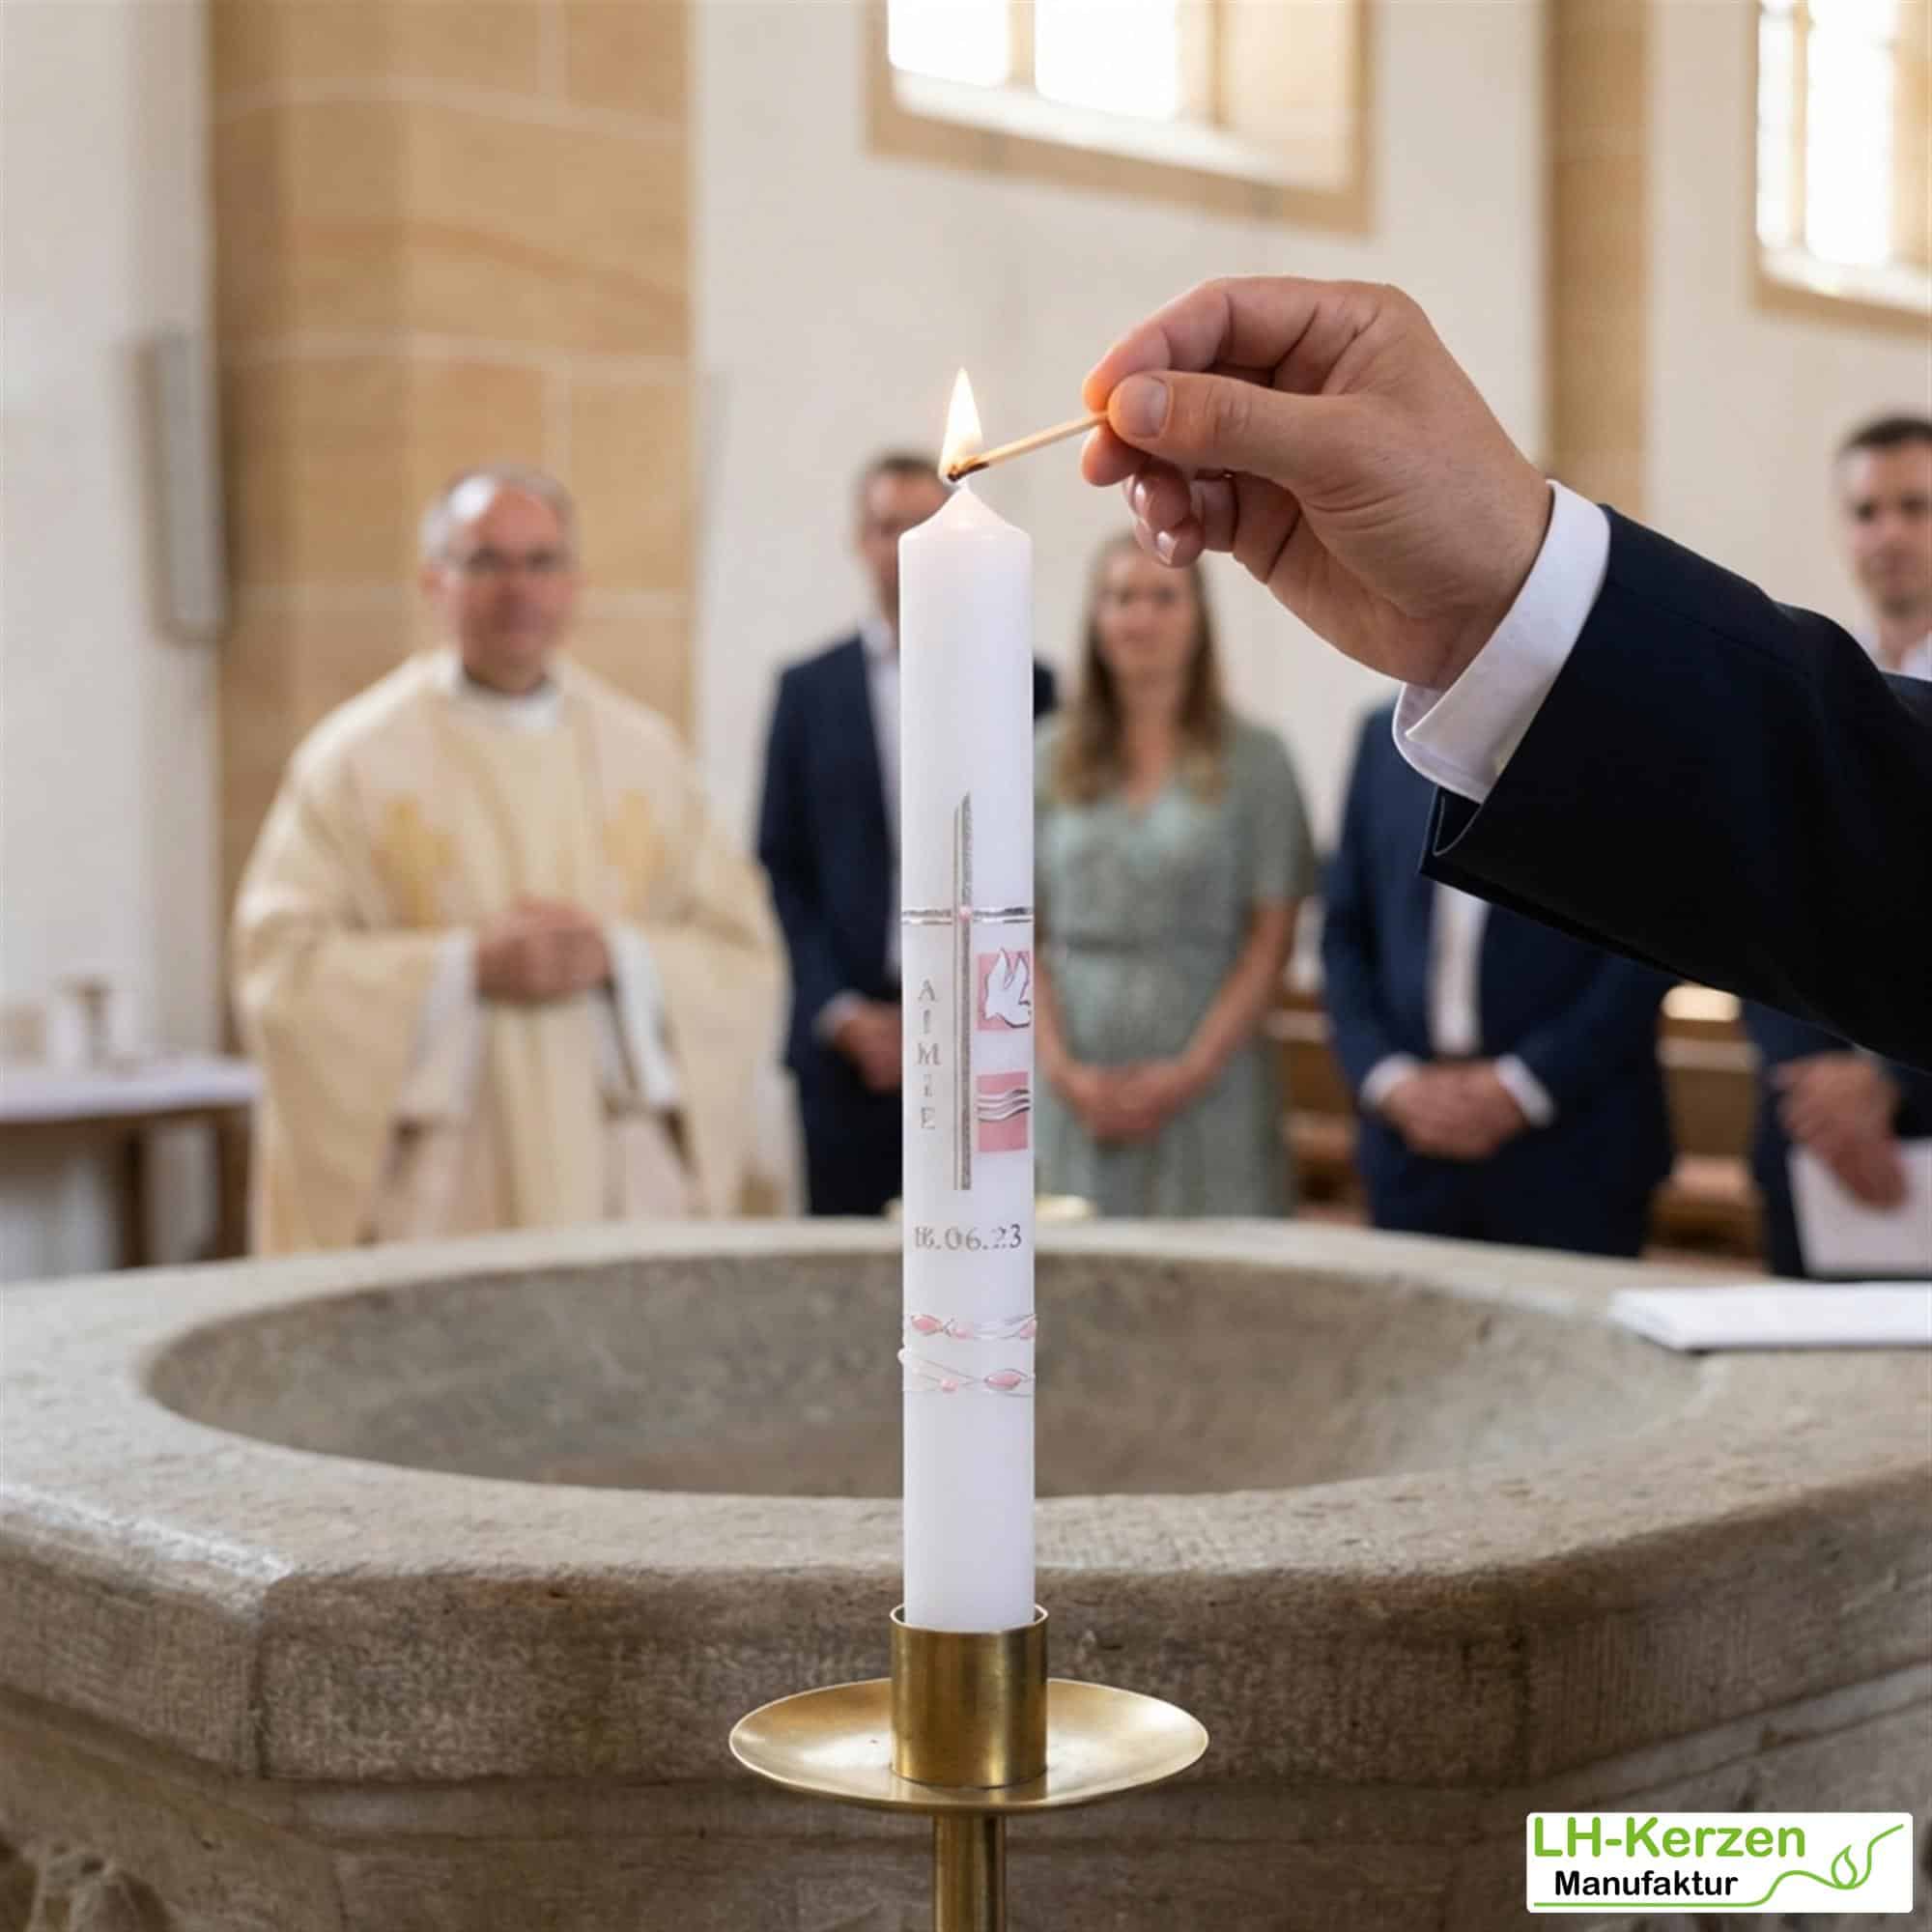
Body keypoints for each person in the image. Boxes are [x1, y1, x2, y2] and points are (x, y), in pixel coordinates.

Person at [1076, 276, 1932, 1071]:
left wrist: (1513, 596)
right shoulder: (1376, 734)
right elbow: (1863, 826)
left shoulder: (1252, 757)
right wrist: (1494, 613)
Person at [233, 466, 782, 1253]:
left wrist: (619, 960)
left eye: (542, 562)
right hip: (441, 1197)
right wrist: (462, 969)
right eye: (486, 561)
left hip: (615, 1185)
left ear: (575, 585)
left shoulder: (646, 755)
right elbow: (279, 969)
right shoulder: (354, 761)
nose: (518, 588)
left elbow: (741, 955)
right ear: (435, 581)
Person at [757, 453, 1056, 1216]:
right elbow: (780, 866)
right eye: (887, 526)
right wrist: (840, 1011)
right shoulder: (808, 691)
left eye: (923, 524)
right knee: (846, 1259)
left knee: (982, 1233)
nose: (902, 547)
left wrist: (970, 1010)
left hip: (987, 1033)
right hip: (848, 1041)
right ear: (859, 539)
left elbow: (1046, 862)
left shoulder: (1030, 685)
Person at [1034, 533, 1315, 1215]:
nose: (1141, 617)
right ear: (1096, 618)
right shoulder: (1045, 756)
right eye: (1121, 598)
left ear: (1198, 618)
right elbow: (1016, 931)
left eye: (1163, 598)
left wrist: (1190, 1071)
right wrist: (1061, 1069)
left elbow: (1271, 939)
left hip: (1211, 1075)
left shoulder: (1258, 760)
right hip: (1075, 1071)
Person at [1323, 704, 1670, 1255]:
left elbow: (1653, 939)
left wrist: (1522, 1085)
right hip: (1410, 1143)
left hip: (1575, 1143)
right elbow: (1345, 930)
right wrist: (1390, 1080)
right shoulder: (1383, 735)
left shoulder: (1619, 727)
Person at [1738, 413, 1932, 1274]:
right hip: (1813, 1143)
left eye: (1915, 507)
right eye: (1865, 512)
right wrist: (1814, 1085)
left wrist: (1891, 1080)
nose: (1888, 533)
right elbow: (1756, 903)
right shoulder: (1806, 695)